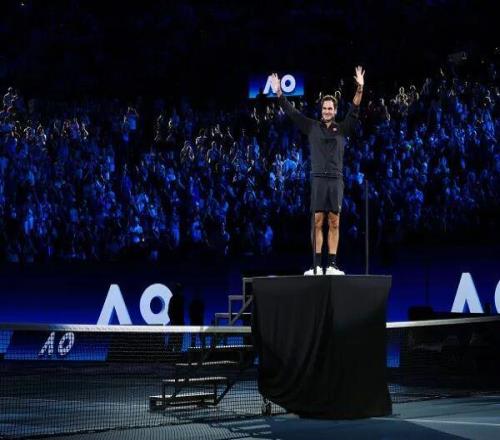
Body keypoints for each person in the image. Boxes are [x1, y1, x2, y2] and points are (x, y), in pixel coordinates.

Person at [270, 66, 365, 275]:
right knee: (317, 221)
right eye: (325, 108)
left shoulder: (343, 128)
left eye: (330, 108)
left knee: (334, 221)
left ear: (335, 111)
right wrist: (279, 93)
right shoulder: (312, 126)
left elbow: (355, 107)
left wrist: (360, 88)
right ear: (321, 110)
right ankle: (316, 265)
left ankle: (331, 265)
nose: (327, 111)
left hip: (336, 180)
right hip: (318, 180)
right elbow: (293, 113)